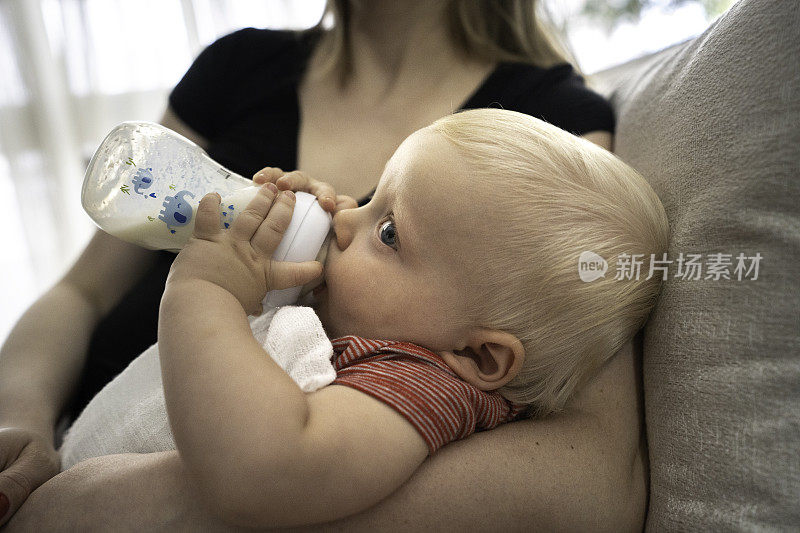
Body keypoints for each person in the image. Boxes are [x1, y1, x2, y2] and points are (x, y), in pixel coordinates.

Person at [0, 1, 642, 530]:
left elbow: (590, 477)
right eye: (365, 200)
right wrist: (20, 417)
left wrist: (204, 293)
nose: (341, 213)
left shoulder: (543, 143)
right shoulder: (240, 66)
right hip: (56, 442)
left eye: (385, 227)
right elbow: (80, 292)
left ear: (482, 358)